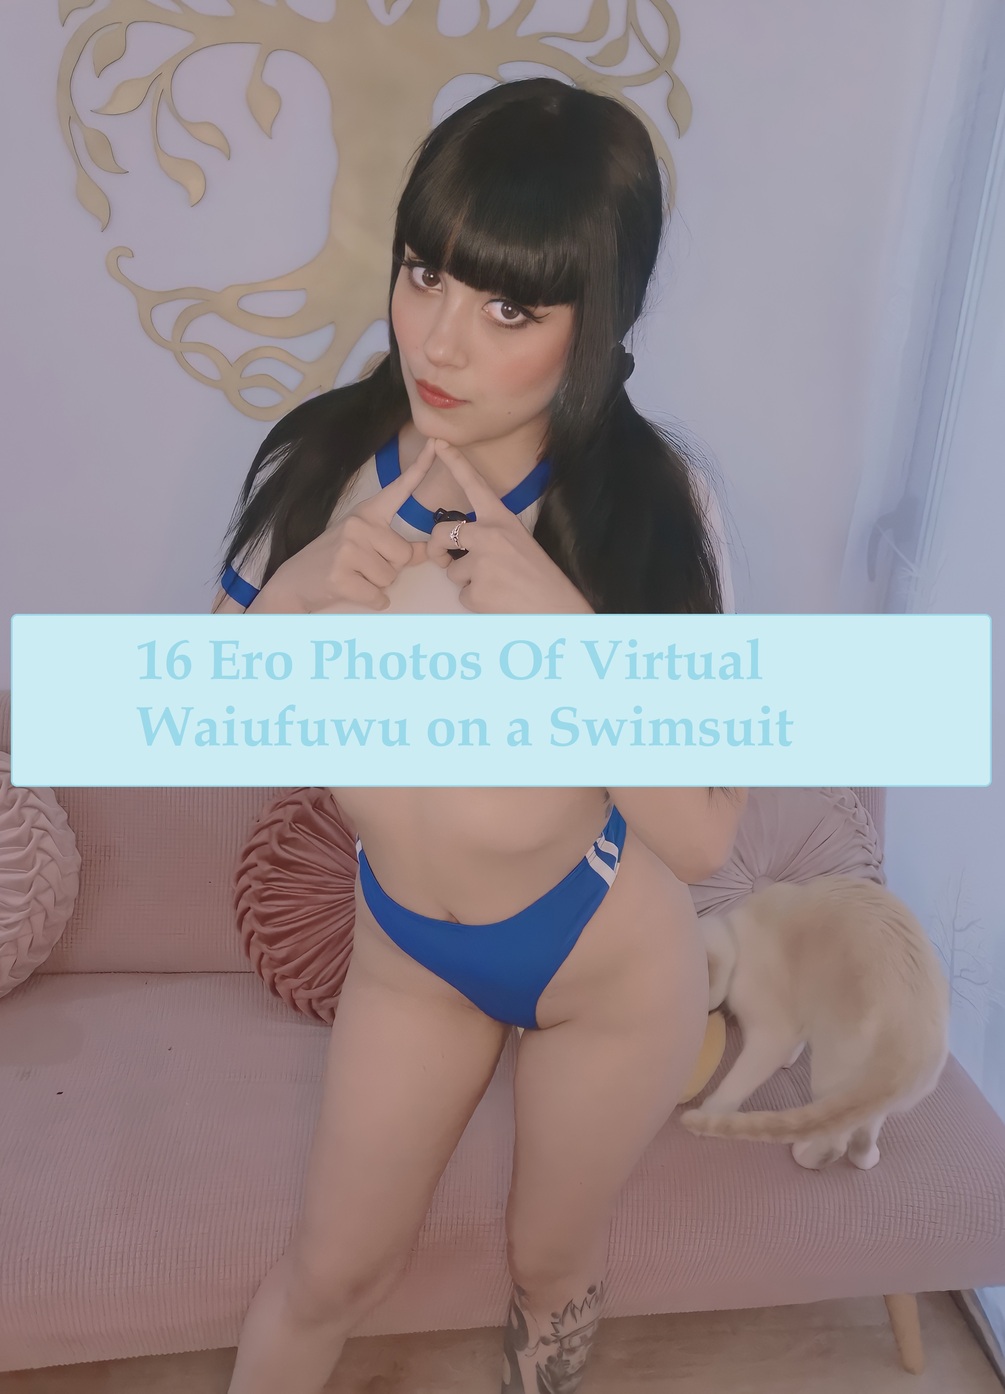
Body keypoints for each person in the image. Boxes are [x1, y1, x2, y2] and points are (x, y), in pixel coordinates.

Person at [213, 76, 747, 1394]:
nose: (440, 342)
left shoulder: (649, 507)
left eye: (510, 309)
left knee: (545, 1264)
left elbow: (703, 836)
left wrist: (567, 635)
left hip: (604, 960)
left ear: (594, 321)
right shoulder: (324, 461)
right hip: (409, 946)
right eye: (425, 275)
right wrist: (301, 587)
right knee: (332, 1270)